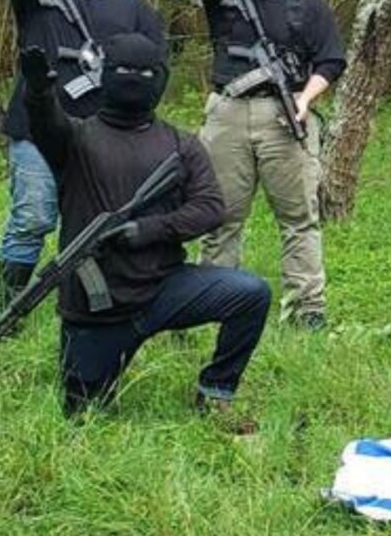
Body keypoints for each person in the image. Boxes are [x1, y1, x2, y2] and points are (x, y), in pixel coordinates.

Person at [21, 32, 270, 431]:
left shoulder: (181, 145)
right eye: (125, 71)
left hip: (165, 290)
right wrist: (38, 94)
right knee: (82, 414)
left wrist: (147, 229)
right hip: (96, 311)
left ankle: (216, 391)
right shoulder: (76, 138)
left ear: (160, 78)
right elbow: (48, 127)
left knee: (251, 294)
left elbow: (211, 209)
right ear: (104, 76)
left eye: (145, 72)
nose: (135, 78)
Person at [0, 0, 164, 319]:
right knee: (32, 218)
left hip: (103, 135)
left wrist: (138, 116)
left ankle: (96, 309)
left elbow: (157, 64)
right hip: (37, 126)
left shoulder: (131, 5)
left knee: (96, 229)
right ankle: (6, 310)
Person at [192, 0, 347, 330]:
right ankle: (212, 302)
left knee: (299, 217)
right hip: (227, 111)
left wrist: (305, 97)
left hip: (285, 114)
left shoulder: (306, 1)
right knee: (220, 215)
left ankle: (307, 308)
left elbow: (332, 58)